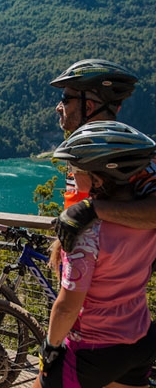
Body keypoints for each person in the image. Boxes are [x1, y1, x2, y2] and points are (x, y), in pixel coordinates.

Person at [33, 121, 156, 388]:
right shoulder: (147, 223)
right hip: (141, 340)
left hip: (92, 349)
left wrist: (50, 347)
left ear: (98, 178)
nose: (70, 173)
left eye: (74, 168)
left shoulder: (86, 233)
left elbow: (68, 306)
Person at [49, 59, 156, 252]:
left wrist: (92, 209)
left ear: (88, 107)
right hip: (80, 275)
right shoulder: (84, 153)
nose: (58, 107)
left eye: (65, 99)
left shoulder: (131, 158)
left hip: (107, 279)